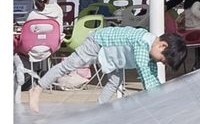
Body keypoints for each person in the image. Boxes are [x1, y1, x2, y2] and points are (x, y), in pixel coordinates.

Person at [28, 26, 186, 112]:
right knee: (68, 65)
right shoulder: (142, 44)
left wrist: (163, 97)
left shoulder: (152, 49)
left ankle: (99, 108)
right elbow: (146, 75)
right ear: (162, 45)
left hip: (113, 56)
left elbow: (153, 77)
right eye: (162, 60)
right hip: (98, 42)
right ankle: (38, 88)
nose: (159, 63)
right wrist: (160, 102)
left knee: (115, 81)